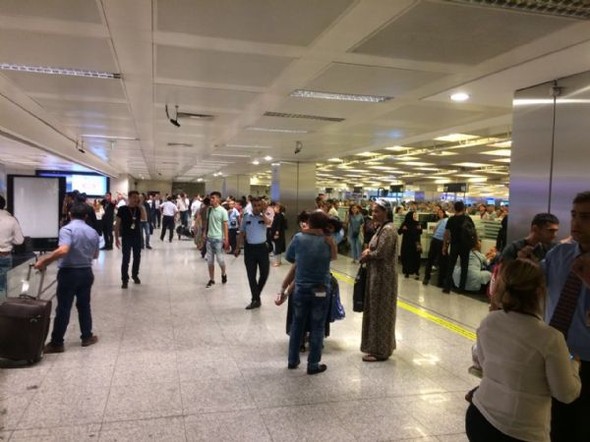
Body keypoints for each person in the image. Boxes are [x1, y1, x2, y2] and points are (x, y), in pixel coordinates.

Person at [466, 259, 581, 441]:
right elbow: (566, 394)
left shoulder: (489, 321)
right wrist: (573, 363)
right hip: (521, 431)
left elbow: (483, 364)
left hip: (480, 418)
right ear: (540, 291)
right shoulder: (550, 338)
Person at [542, 191, 590, 441]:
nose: (576, 223)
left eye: (586, 217)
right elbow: (534, 282)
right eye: (574, 215)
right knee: (556, 424)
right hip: (556, 354)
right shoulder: (559, 255)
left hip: (587, 361)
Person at [34, 203, 100, 352]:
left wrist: (44, 260)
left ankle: (57, 343)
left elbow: (63, 249)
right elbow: (95, 255)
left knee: (63, 307)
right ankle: (87, 337)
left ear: (70, 214)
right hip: (86, 272)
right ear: (86, 216)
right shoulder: (93, 232)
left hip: (69, 273)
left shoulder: (67, 229)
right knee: (84, 306)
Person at [285, 210, 337, 375]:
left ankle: (292, 360)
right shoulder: (328, 240)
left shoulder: (298, 238)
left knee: (297, 324)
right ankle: (313, 364)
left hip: (301, 287)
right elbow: (333, 257)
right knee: (318, 326)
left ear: (310, 222)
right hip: (321, 288)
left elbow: (289, 257)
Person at [359, 198, 398, 362]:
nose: (373, 214)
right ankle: (377, 346)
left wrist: (368, 255)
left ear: (386, 212)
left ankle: (380, 351)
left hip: (383, 278)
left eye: (377, 211)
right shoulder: (382, 228)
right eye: (373, 211)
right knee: (376, 310)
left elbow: (382, 252)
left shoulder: (388, 230)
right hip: (378, 275)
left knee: (380, 312)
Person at [235, 197, 272, 309]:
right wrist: (237, 247)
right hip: (250, 249)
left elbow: (269, 223)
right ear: (251, 205)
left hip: (262, 248)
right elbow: (242, 232)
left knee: (264, 273)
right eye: (254, 205)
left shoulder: (265, 215)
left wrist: (262, 213)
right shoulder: (246, 216)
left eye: (259, 205)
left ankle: (256, 295)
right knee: (251, 275)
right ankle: (255, 299)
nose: (256, 207)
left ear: (261, 206)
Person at [442, 201, 476, 294]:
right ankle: (461, 289)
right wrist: (474, 244)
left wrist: (445, 246)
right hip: (465, 245)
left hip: (454, 245)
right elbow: (473, 231)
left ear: (454, 209)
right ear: (463, 208)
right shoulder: (468, 219)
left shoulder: (451, 219)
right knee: (464, 266)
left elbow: (447, 234)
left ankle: (447, 287)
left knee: (451, 266)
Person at [114, 190, 143, 289]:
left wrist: (140, 206)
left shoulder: (138, 209)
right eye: (134, 197)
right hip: (126, 237)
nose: (136, 199)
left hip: (137, 236)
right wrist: (116, 238)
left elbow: (144, 218)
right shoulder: (122, 209)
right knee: (126, 258)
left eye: (137, 197)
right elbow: (117, 224)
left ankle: (135, 275)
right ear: (129, 198)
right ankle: (124, 279)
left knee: (137, 257)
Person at [203, 191, 229, 288]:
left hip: (218, 239)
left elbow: (225, 226)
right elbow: (207, 222)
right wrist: (205, 232)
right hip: (209, 239)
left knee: (220, 260)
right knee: (210, 261)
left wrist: (226, 239)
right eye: (211, 198)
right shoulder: (209, 210)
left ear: (218, 199)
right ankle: (212, 279)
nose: (211, 199)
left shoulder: (223, 211)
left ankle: (223, 273)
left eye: (213, 198)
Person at [0, 195, 24, 298]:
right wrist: (9, 240)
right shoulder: (12, 220)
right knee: (3, 285)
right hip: (5, 255)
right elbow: (19, 240)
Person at [423, 206, 448, 286]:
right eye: (438, 213)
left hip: (436, 240)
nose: (439, 214)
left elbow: (435, 230)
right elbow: (446, 232)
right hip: (440, 241)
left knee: (431, 259)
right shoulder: (445, 220)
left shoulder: (443, 220)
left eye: (440, 212)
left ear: (444, 213)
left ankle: (426, 278)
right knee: (441, 261)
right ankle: (440, 282)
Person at [398, 211, 422, 279]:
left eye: (415, 215)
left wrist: (420, 229)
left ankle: (416, 271)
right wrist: (403, 229)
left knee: (417, 257)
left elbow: (420, 232)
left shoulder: (417, 223)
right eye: (414, 215)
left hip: (417, 243)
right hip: (407, 243)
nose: (415, 216)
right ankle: (407, 272)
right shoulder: (405, 223)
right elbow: (399, 232)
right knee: (407, 257)